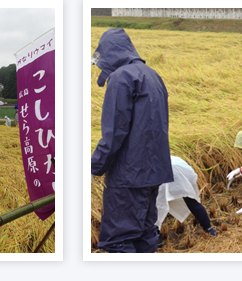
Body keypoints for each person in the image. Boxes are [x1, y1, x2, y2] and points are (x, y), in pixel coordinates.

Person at [91, 28, 173, 253]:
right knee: (146, 233)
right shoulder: (152, 75)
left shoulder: (121, 78)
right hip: (154, 173)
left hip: (129, 176)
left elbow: (114, 133)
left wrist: (93, 166)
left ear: (109, 53)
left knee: (119, 240)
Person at [155, 156, 216, 236]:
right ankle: (208, 228)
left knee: (158, 207)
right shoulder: (172, 158)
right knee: (192, 201)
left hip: (164, 173)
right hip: (179, 171)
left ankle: (156, 237)